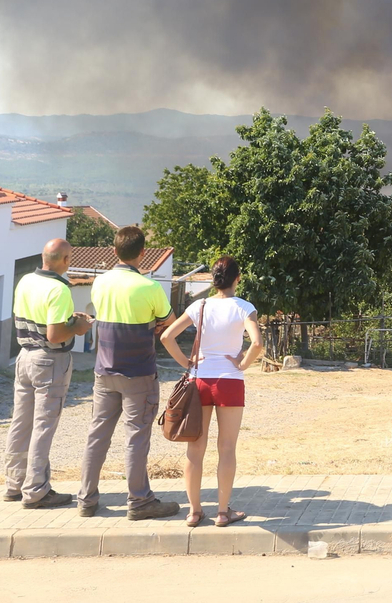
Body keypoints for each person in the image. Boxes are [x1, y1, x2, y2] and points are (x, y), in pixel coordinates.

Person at [76, 225, 180, 519]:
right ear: (143, 254)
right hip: (139, 373)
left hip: (104, 371)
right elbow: (169, 325)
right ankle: (139, 501)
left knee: (97, 436)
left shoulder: (100, 283)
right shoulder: (150, 288)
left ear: (114, 251)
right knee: (135, 438)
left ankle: (86, 499)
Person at [160, 256, 264, 526]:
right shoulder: (244, 307)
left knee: (195, 448)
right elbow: (257, 344)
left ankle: (194, 512)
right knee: (227, 448)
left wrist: (186, 361)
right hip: (230, 381)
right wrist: (242, 364)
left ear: (214, 279)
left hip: (200, 381)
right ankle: (222, 512)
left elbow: (166, 336)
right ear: (237, 279)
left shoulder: (200, 305)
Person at [5, 238, 93, 508]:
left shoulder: (25, 281)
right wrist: (79, 327)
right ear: (65, 260)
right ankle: (36, 490)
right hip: (50, 360)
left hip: (24, 356)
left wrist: (69, 320)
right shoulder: (59, 289)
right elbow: (55, 335)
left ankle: (14, 484)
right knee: (43, 426)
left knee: (21, 422)